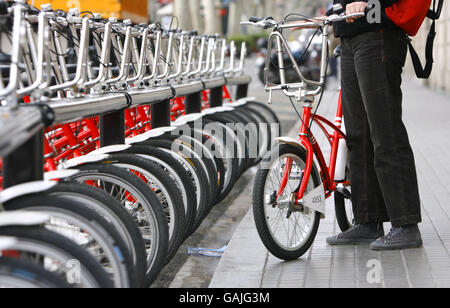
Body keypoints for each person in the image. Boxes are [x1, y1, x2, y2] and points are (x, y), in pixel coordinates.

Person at [325, 0, 423, 251]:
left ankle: (406, 225)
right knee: (358, 135)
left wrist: (367, 2)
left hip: (378, 34)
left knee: (385, 129)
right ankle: (368, 220)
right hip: (349, 37)